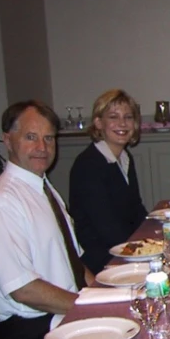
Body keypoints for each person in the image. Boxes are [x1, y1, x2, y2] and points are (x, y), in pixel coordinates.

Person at [0, 101, 94, 339]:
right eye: (31, 137)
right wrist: (90, 308)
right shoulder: (1, 204)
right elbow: (24, 290)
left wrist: (104, 296)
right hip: (31, 332)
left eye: (48, 138)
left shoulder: (43, 189)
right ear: (7, 139)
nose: (42, 147)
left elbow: (75, 263)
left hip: (61, 312)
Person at [69, 89, 148, 273]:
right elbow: (106, 228)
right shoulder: (89, 165)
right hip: (103, 260)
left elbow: (135, 208)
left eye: (128, 117)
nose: (122, 123)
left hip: (124, 249)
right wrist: (145, 249)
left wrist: (157, 232)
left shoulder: (124, 158)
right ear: (98, 123)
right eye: (113, 117)